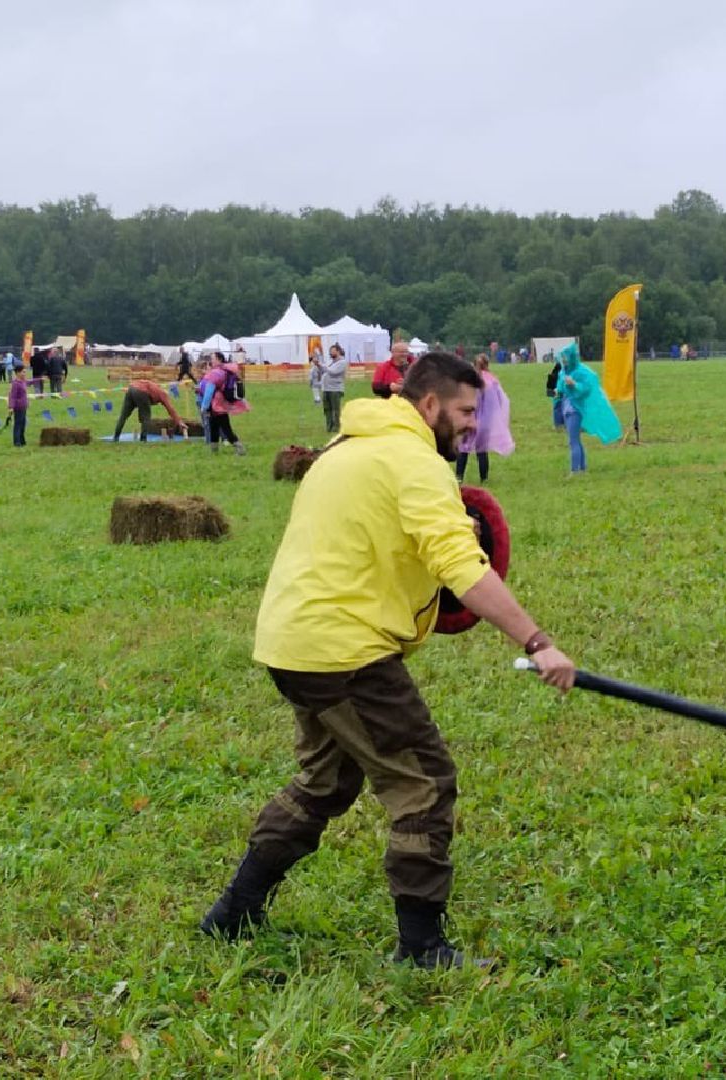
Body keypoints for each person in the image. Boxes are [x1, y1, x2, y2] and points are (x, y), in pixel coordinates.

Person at [200, 351, 576, 968]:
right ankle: (422, 947)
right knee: (425, 783)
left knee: (326, 782)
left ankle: (234, 910)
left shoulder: (347, 446)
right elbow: (462, 566)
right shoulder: (413, 462)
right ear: (428, 404)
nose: (469, 425)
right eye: (462, 411)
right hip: (345, 650)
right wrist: (538, 642)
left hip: (292, 644)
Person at [552, 342, 621, 474]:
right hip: (566, 410)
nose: (564, 360)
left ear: (572, 356)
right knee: (575, 439)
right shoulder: (563, 372)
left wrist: (574, 384)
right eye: (563, 357)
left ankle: (575, 470)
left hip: (575, 410)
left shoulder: (582, 372)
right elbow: (559, 390)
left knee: (573, 441)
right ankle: (582, 468)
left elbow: (587, 388)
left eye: (566, 357)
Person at [455, 353, 514, 483]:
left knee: (463, 448)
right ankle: (484, 478)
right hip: (485, 421)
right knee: (482, 450)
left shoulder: (470, 381)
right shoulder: (493, 380)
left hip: (469, 418)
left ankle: (459, 477)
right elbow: (499, 401)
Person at [198, 357, 248, 454]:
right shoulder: (224, 372)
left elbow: (209, 392)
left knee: (226, 429)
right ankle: (214, 450)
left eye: (212, 359)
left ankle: (240, 448)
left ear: (219, 359)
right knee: (214, 428)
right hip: (217, 405)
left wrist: (204, 407)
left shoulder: (214, 374)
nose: (210, 363)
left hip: (217, 406)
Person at [113, 377, 187, 443]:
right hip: (141, 392)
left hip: (131, 388)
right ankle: (143, 439)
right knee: (146, 417)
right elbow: (171, 409)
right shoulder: (163, 395)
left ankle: (116, 437)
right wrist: (179, 421)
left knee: (123, 415)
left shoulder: (156, 388)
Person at [318, 344, 349, 434]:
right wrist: (318, 366)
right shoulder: (330, 362)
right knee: (327, 409)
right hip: (326, 388)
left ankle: (336, 427)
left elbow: (333, 372)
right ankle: (329, 426)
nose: (331, 353)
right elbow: (324, 370)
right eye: (330, 351)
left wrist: (322, 366)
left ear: (338, 351)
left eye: (333, 351)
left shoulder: (342, 362)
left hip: (335, 389)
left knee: (335, 409)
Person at [8, 360, 29, 447]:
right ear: (17, 372)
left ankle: (22, 440)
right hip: (18, 407)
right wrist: (11, 407)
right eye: (23, 372)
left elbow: (31, 381)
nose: (24, 373)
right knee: (18, 424)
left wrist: (40, 379)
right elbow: (12, 396)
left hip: (24, 406)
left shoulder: (23, 381)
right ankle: (16, 442)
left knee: (23, 424)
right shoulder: (15, 383)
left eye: (25, 372)